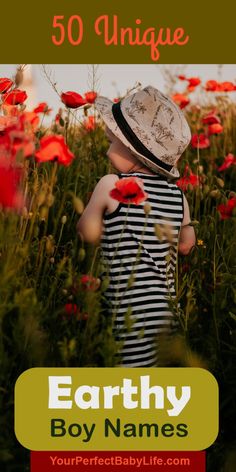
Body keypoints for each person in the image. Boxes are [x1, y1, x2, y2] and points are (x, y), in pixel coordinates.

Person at [77, 85, 196, 367]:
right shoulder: (179, 197)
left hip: (126, 314)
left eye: (113, 144)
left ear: (135, 153)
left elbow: (88, 233)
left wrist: (91, 217)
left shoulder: (112, 185)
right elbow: (186, 246)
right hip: (167, 313)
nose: (107, 151)